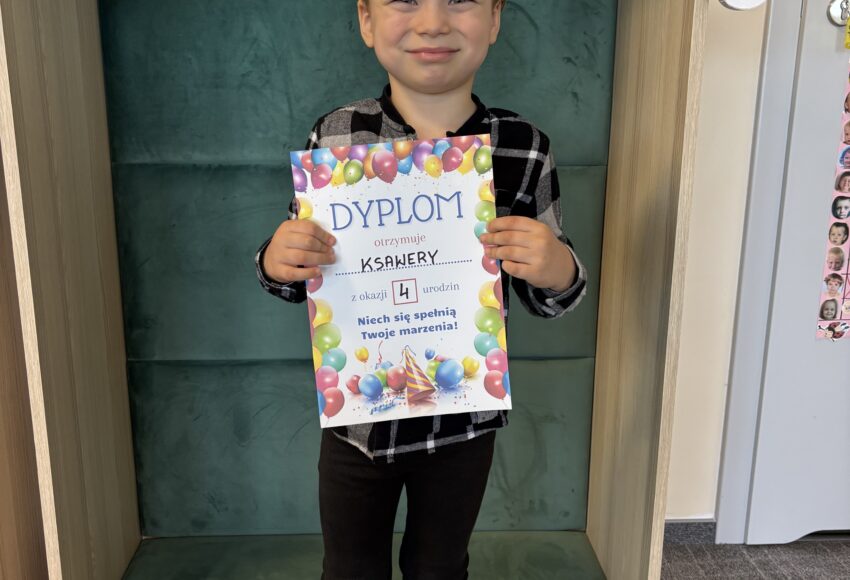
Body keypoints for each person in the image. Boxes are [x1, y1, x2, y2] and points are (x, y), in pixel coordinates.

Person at [253, 1, 588, 578]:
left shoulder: (523, 146)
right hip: (358, 424)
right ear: (366, 20)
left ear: (495, 18)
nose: (432, 22)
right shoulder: (335, 135)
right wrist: (278, 259)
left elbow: (548, 295)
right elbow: (301, 275)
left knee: (440, 567)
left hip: (464, 424)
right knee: (350, 569)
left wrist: (556, 265)